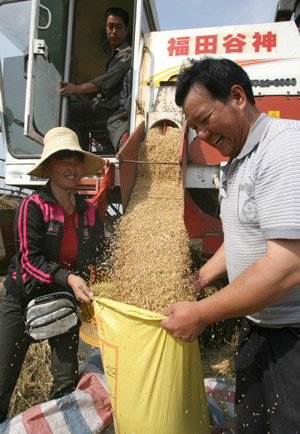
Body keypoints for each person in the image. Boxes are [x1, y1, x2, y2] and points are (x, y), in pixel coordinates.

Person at [160, 57, 300, 433]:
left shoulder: (283, 150)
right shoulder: (237, 161)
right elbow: (242, 237)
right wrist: (199, 278)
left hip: (292, 335)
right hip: (257, 325)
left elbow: (287, 265)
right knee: (253, 423)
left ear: (237, 96)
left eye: (206, 120)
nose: (202, 136)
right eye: (195, 128)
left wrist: (202, 313)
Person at [0, 127, 107, 422]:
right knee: (2, 383)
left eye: (76, 161)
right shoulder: (32, 208)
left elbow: (102, 255)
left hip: (62, 302)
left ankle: (60, 426)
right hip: (21, 302)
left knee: (65, 384)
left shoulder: (89, 213)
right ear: (49, 166)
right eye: (64, 161)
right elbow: (29, 262)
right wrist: (69, 278)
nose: (72, 168)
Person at [59, 7, 132, 151]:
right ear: (105, 27)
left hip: (113, 108)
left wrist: (78, 88)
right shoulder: (114, 55)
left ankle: (77, 155)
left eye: (118, 27)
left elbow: (106, 81)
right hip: (107, 105)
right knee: (74, 110)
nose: (114, 31)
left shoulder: (128, 54)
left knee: (68, 111)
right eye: (110, 26)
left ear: (126, 30)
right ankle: (81, 153)